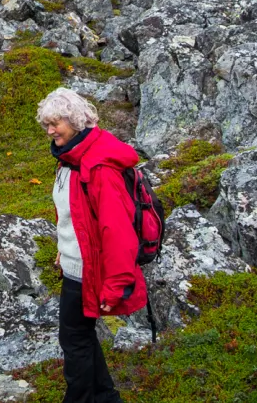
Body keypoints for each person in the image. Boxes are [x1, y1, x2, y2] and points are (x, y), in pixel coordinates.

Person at [38, 87, 146, 403]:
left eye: (55, 122)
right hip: (73, 265)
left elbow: (117, 233)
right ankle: (107, 397)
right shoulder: (69, 160)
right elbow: (75, 216)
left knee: (74, 341)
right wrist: (63, 247)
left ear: (74, 121)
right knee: (80, 338)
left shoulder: (97, 168)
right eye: (47, 123)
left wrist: (115, 286)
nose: (50, 130)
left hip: (90, 271)